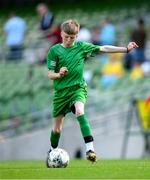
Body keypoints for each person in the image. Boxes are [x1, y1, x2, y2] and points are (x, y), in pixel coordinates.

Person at [46, 19, 138, 165]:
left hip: (78, 89)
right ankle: (52, 151)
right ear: (62, 34)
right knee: (57, 130)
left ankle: (90, 149)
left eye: (73, 37)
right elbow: (50, 74)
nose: (69, 40)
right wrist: (59, 74)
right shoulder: (54, 51)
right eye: (66, 37)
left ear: (77, 36)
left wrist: (125, 49)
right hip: (60, 93)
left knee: (80, 111)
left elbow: (103, 48)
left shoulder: (82, 47)